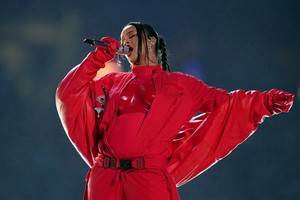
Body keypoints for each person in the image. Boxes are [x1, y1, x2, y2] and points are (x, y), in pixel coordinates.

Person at [55, 22, 294, 200]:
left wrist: (266, 101)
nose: (125, 41)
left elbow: (226, 102)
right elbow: (68, 94)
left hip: (148, 178)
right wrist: (95, 59)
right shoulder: (111, 82)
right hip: (105, 176)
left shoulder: (180, 85)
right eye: (122, 38)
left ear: (151, 41)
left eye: (131, 36)